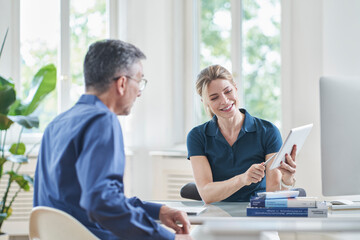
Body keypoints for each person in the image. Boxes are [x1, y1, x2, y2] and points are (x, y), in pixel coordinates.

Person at [34, 39, 192, 240]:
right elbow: (102, 203)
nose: (140, 92)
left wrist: (157, 211)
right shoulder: (102, 120)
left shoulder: (57, 124)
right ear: (122, 83)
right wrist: (168, 239)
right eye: (139, 81)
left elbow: (89, 198)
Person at [187, 64, 297, 204]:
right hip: (218, 216)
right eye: (214, 98)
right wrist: (242, 179)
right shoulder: (197, 136)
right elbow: (207, 195)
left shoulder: (268, 132)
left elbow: (273, 193)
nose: (225, 101)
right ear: (205, 102)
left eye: (228, 91)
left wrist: (287, 179)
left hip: (258, 213)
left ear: (236, 88)